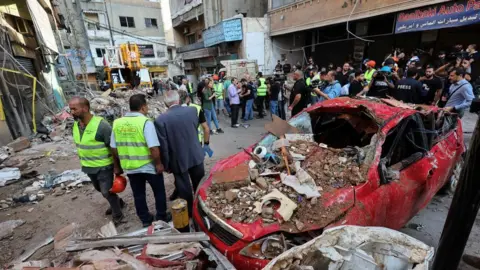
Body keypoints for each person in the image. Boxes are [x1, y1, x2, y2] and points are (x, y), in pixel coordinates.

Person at [111, 94, 168, 227]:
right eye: (146, 106)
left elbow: (113, 148)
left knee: (138, 195)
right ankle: (161, 217)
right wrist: (159, 164)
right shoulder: (145, 122)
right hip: (149, 166)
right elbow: (153, 147)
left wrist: (117, 166)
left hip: (131, 167)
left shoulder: (117, 123)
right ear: (143, 107)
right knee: (159, 192)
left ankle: (146, 220)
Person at [69, 97, 125, 224]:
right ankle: (118, 202)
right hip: (89, 166)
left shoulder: (102, 126)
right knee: (100, 189)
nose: (72, 112)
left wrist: (117, 167)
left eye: (74, 109)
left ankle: (118, 214)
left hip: (104, 166)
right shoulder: (76, 125)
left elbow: (113, 147)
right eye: (70, 109)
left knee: (106, 191)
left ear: (85, 108)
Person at [154, 90, 208, 218]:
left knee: (184, 189)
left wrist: (166, 164)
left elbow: (164, 146)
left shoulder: (161, 120)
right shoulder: (192, 111)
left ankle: (189, 213)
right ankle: (202, 209)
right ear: (178, 100)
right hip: (195, 154)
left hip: (178, 159)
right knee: (199, 184)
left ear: (165, 104)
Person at [168, 90, 210, 201]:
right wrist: (206, 144)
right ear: (187, 99)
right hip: (195, 146)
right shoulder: (195, 109)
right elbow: (206, 128)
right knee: (198, 179)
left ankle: (181, 195)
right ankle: (199, 202)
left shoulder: (168, 114)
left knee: (182, 178)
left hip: (178, 150)